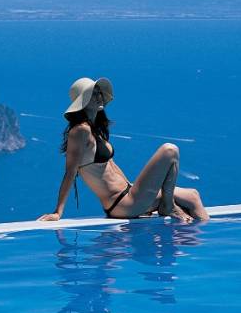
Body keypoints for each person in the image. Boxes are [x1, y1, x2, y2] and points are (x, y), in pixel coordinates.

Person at [37, 77, 209, 223]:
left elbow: (111, 167)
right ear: (83, 102)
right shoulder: (80, 131)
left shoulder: (94, 129)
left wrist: (141, 192)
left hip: (129, 194)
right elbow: (70, 172)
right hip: (122, 203)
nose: (99, 96)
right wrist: (58, 212)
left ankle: (201, 243)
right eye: (93, 94)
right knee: (170, 150)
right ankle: (168, 206)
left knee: (193, 195)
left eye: (99, 92)